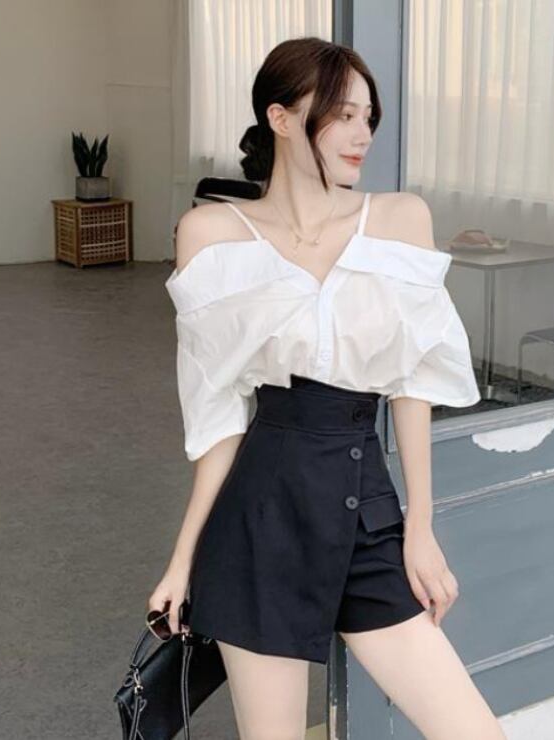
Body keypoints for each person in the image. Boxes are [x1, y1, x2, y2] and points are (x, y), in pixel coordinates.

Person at [150, 37, 507, 740]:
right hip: (260, 522)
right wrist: (183, 559)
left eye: (368, 117)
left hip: (364, 511)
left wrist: (419, 527)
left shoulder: (400, 218)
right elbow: (218, 415)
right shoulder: (210, 234)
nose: (362, 134)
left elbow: (411, 381)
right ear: (280, 117)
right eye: (343, 114)